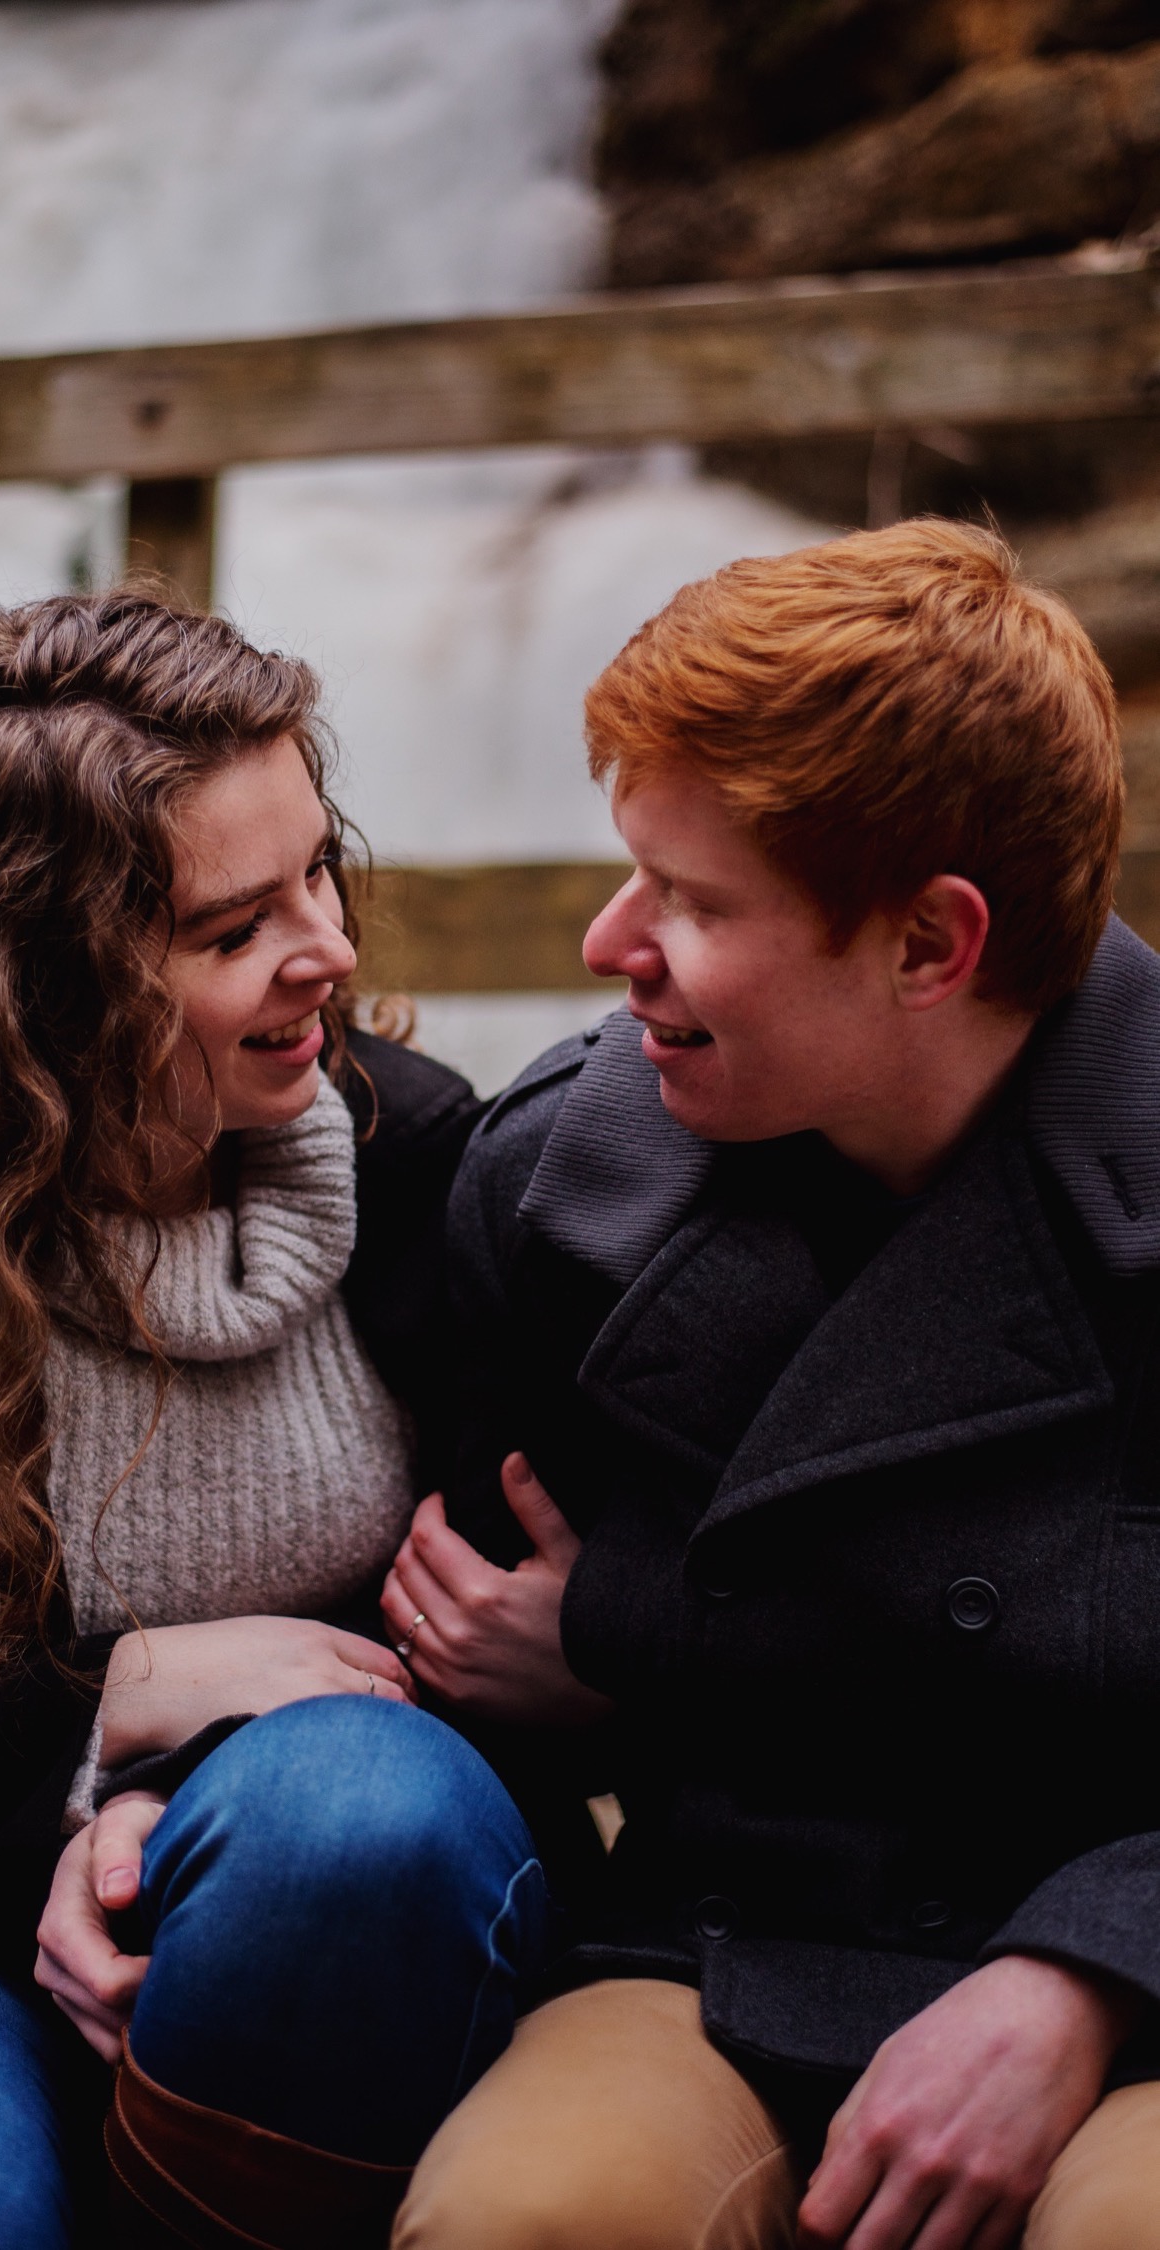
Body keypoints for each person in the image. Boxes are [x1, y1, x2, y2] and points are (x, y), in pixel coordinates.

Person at [0, 590, 552, 2250]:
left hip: (337, 1929)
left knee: (358, 1807)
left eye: (319, 871)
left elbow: (520, 1659)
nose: (332, 952)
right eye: (235, 930)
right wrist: (113, 1710)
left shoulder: (424, 1162)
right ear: (33, 989)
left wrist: (572, 1651)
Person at [379, 521, 1160, 2249]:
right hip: (719, 1948)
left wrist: (1083, 1977)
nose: (604, 943)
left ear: (930, 944)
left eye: (694, 901)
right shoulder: (551, 1191)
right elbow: (450, 1688)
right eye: (626, 869)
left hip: (1137, 1977)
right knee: (528, 2219)